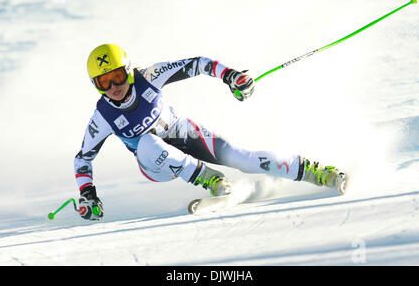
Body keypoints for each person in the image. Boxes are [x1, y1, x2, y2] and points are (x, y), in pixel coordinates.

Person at [75, 44, 348, 220]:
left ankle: (317, 172)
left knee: (242, 158)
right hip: (155, 164)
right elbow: (82, 159)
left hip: (184, 132)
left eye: (118, 76)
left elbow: (198, 63)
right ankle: (212, 180)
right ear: (96, 85)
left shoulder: (149, 76)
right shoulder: (102, 117)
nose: (113, 86)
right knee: (147, 142)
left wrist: (231, 76)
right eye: (104, 81)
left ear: (129, 71)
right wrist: (88, 194)